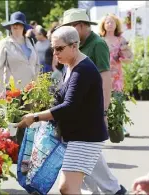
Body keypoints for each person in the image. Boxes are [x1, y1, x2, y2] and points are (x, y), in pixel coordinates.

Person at [17, 26, 108, 194]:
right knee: (70, 188)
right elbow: (62, 98)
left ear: (74, 46)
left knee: (67, 187)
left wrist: (35, 117)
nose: (55, 53)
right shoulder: (70, 66)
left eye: (59, 48)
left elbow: (69, 106)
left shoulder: (83, 70)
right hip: (78, 135)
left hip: (87, 137)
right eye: (53, 48)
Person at [60, 8, 127, 194]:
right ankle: (108, 189)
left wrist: (103, 111)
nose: (68, 31)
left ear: (81, 25)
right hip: (77, 105)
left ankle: (111, 189)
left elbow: (106, 77)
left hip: (90, 107)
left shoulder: (97, 44)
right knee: (83, 152)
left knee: (84, 150)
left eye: (71, 27)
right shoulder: (76, 42)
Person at [99, 13, 133, 137]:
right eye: (107, 22)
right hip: (103, 74)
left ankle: (120, 127)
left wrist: (125, 55)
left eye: (112, 22)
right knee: (103, 101)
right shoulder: (99, 40)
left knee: (118, 101)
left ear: (116, 24)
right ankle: (104, 126)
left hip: (117, 75)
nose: (109, 24)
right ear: (103, 25)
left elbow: (130, 57)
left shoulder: (121, 40)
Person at [0, 11, 39, 98]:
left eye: (19, 24)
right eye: (14, 24)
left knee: (33, 112)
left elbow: (37, 64)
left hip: (32, 90)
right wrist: (0, 90)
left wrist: (36, 83)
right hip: (13, 91)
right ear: (10, 27)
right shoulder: (4, 43)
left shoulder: (31, 42)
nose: (16, 26)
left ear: (23, 27)